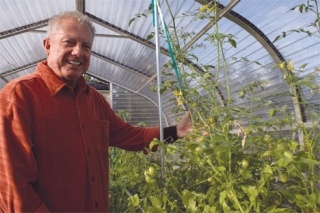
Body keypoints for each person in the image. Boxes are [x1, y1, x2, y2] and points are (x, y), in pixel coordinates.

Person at [0, 11, 192, 212]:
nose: (78, 52)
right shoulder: (19, 96)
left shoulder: (93, 99)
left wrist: (176, 132)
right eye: (69, 42)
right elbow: (13, 190)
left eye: (86, 46)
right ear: (48, 45)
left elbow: (129, 135)